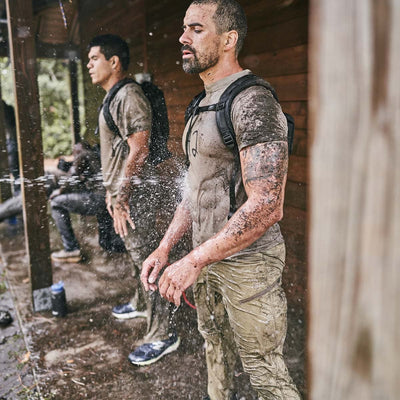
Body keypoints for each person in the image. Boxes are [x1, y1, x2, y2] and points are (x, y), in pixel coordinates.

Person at [141, 1, 301, 399]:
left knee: (265, 372)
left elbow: (267, 204)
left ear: (229, 40)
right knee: (214, 346)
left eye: (196, 29)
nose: (182, 38)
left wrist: (193, 260)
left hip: (248, 264)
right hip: (206, 258)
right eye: (183, 28)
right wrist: (166, 248)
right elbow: (195, 189)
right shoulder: (201, 102)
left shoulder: (253, 102)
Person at [87, 34, 178, 366]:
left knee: (146, 261)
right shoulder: (113, 97)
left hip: (134, 196)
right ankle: (141, 303)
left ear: (114, 62)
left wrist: (122, 197)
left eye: (94, 58)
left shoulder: (128, 95)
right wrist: (113, 195)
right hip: (122, 196)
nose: (89, 65)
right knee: (134, 254)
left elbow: (139, 148)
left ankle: (163, 334)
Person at [50, 141, 126, 262]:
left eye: (75, 151)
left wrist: (59, 191)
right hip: (107, 201)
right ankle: (127, 249)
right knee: (106, 242)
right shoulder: (97, 156)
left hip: (98, 199)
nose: (74, 154)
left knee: (56, 203)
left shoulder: (84, 154)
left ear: (79, 149)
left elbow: (72, 176)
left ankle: (71, 249)